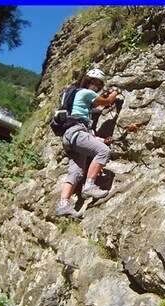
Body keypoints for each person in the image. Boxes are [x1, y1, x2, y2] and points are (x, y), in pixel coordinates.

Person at [55, 68, 121, 218]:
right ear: (87, 81)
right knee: (103, 151)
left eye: (99, 85)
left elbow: (96, 107)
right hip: (77, 132)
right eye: (95, 83)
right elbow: (107, 102)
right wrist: (116, 91)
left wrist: (102, 139)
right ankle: (89, 186)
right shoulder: (86, 92)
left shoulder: (78, 96)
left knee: (76, 172)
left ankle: (63, 205)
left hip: (70, 136)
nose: (96, 87)